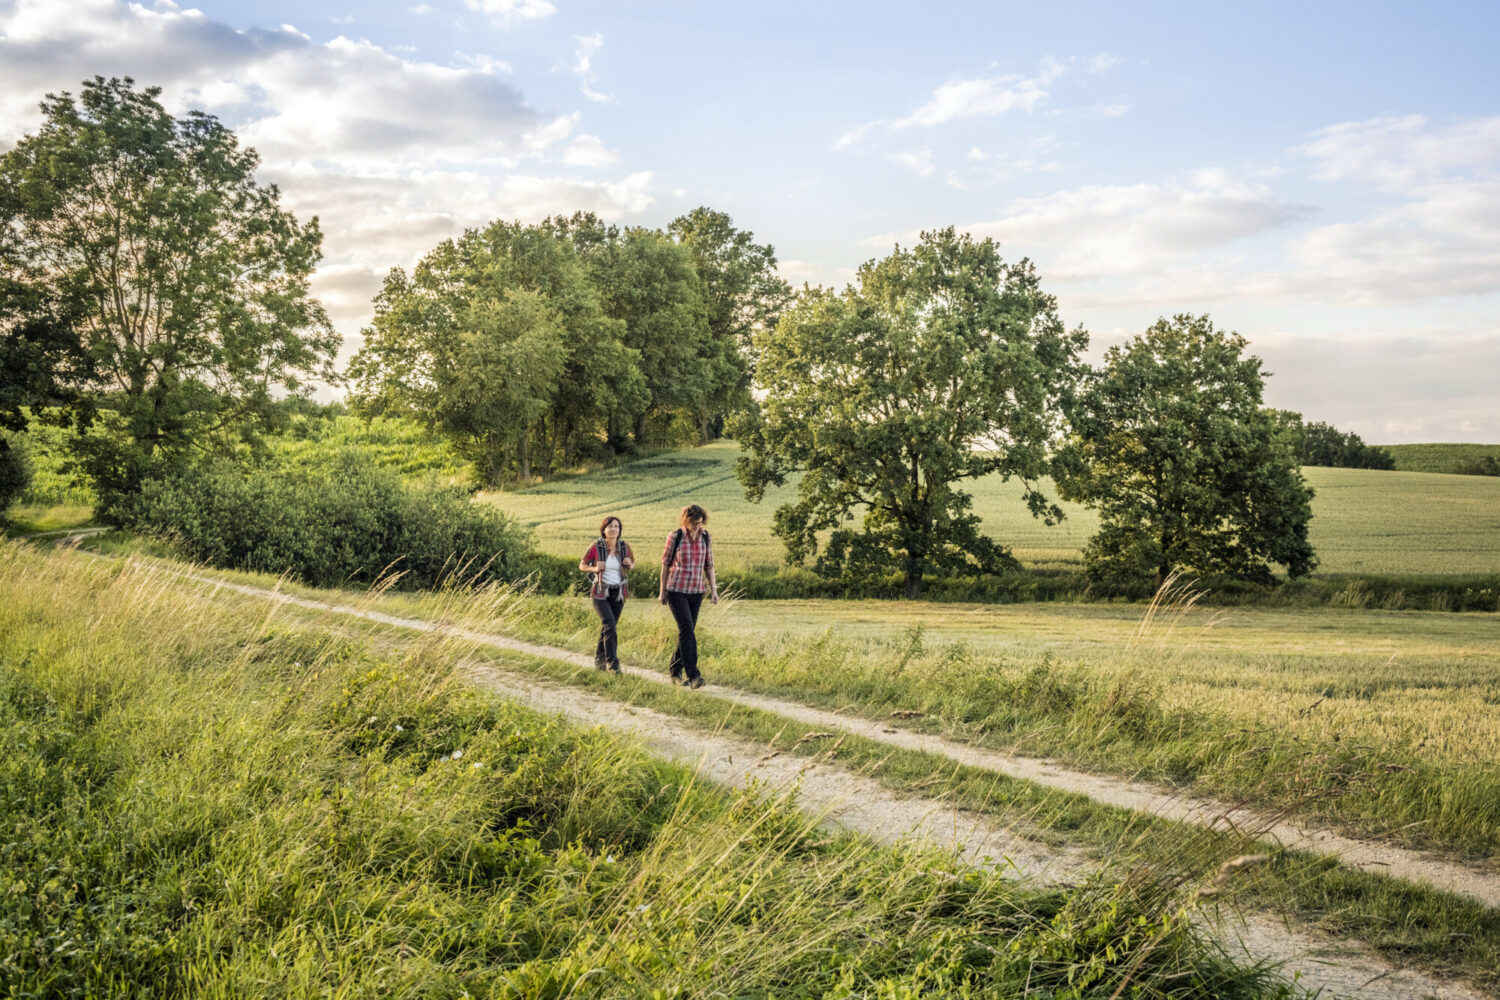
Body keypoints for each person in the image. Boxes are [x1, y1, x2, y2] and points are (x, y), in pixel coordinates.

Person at [658, 503, 718, 688]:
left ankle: (675, 672)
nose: (697, 527)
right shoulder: (675, 536)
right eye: (693, 523)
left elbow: (709, 565)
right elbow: (665, 564)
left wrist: (714, 590)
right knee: (686, 629)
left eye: (700, 523)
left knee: (687, 632)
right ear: (686, 520)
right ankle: (694, 676)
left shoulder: (705, 537)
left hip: (696, 591)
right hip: (676, 590)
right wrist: (662, 591)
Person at [579, 516, 634, 673]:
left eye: (616, 526)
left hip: (619, 593)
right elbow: (582, 565)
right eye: (610, 526)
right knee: (609, 625)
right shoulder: (596, 547)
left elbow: (633, 564)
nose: (613, 529)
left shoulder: (624, 547)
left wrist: (630, 564)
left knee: (608, 628)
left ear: (620, 530)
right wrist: (595, 569)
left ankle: (599, 661)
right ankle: (613, 664)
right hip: (600, 592)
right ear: (603, 530)